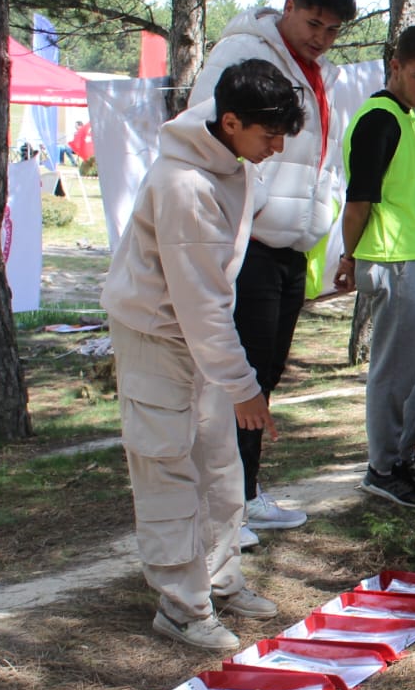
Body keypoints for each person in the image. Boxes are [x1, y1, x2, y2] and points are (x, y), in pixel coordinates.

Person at [101, 59, 304, 650]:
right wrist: (245, 387)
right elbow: (201, 305)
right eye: (269, 136)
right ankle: (181, 606)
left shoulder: (228, 155)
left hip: (196, 335)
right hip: (158, 335)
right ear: (232, 122)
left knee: (220, 465)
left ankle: (218, 578)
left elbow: (210, 300)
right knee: (168, 464)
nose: (276, 147)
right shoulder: (184, 185)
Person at [191, 0, 358, 546]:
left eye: (333, 30)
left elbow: (322, 162)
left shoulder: (322, 73)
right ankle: (218, 507)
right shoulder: (243, 52)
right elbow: (206, 132)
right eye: (313, 23)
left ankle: (244, 492)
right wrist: (246, 211)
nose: (321, 37)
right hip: (251, 243)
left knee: (265, 377)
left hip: (291, 246)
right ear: (287, 6)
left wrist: (320, 222)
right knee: (238, 381)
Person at [333, 26, 415, 509]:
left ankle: (401, 453)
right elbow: (358, 201)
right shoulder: (379, 119)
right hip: (392, 260)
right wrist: (348, 257)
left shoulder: (408, 117)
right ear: (396, 68)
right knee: (394, 369)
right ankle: (382, 468)